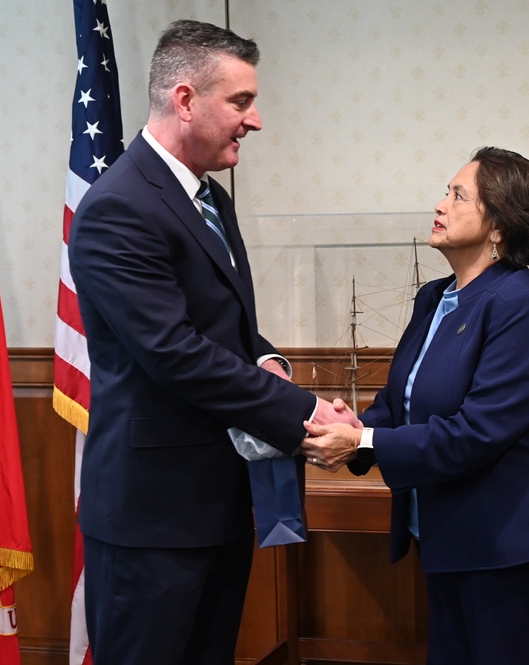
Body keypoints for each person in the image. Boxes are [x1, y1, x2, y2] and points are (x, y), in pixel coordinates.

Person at [68, 20, 358, 665]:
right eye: (241, 102)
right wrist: (303, 412)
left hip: (215, 506)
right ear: (185, 99)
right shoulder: (121, 206)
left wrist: (269, 360)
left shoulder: (208, 198)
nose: (255, 121)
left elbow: (221, 326)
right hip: (153, 517)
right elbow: (173, 351)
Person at [302, 147, 529, 665]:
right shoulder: (436, 297)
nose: (440, 204)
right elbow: (402, 399)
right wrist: (358, 426)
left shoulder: (519, 307)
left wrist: (364, 442)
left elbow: (476, 432)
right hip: (450, 535)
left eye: (458, 195)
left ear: (499, 226)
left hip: (510, 547)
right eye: (445, 191)